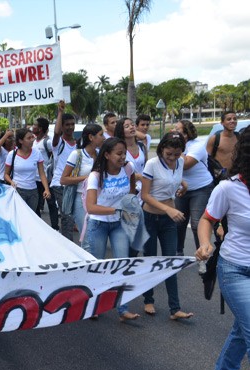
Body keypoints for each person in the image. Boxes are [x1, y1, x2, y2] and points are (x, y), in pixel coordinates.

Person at [196, 127, 250, 370]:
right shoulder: (229, 188)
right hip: (235, 269)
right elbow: (207, 220)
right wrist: (205, 243)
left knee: (244, 327)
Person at [85, 137, 139, 321]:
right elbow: (91, 207)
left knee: (122, 264)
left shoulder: (128, 168)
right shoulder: (96, 176)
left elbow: (132, 191)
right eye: (118, 153)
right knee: (98, 267)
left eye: (124, 153)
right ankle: (93, 306)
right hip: (98, 224)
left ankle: (123, 309)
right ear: (106, 155)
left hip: (119, 224)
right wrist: (116, 209)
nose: (123, 157)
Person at [141, 131, 193, 320]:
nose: (172, 158)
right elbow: (145, 195)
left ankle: (175, 309)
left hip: (170, 220)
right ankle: (148, 299)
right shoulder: (152, 164)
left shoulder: (179, 162)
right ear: (162, 148)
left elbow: (174, 177)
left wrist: (183, 184)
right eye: (169, 154)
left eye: (176, 154)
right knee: (151, 259)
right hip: (150, 218)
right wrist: (168, 209)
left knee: (171, 262)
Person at [174, 119, 215, 273]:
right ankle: (178, 253)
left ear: (186, 133)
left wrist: (179, 146)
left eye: (177, 129)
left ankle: (202, 257)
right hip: (181, 189)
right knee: (179, 222)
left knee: (198, 224)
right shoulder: (177, 144)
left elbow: (185, 164)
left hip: (201, 189)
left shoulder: (197, 146)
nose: (174, 131)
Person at [60, 123, 104, 250]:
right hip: (81, 198)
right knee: (86, 237)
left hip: (99, 199)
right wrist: (88, 178)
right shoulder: (77, 155)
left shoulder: (100, 155)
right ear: (91, 137)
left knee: (97, 236)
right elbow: (63, 179)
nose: (103, 138)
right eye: (101, 135)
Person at [4, 128, 51, 212]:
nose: (32, 140)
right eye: (29, 138)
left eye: (32, 137)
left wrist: (46, 189)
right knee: (19, 217)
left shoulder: (37, 153)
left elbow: (42, 173)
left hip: (33, 192)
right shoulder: (12, 155)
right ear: (21, 141)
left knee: (31, 217)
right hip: (18, 191)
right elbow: (6, 175)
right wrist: (11, 182)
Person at [51, 100, 77, 241]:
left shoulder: (78, 144)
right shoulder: (58, 143)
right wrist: (60, 111)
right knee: (67, 216)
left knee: (73, 217)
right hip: (60, 185)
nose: (70, 127)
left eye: (72, 124)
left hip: (75, 184)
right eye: (67, 125)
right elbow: (56, 132)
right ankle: (69, 246)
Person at [32, 117, 58, 227]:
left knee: (51, 204)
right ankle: (40, 228)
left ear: (41, 128)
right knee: (36, 205)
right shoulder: (33, 141)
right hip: (36, 179)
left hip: (47, 179)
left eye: (35, 125)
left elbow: (55, 157)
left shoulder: (47, 141)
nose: (33, 127)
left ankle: (55, 228)